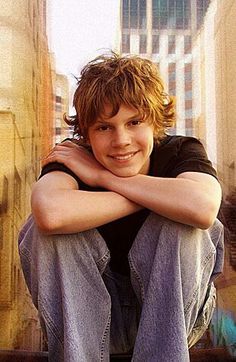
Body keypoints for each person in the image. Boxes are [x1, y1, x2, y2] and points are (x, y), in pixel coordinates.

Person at [18, 53, 224, 362]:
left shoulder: (181, 151)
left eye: (134, 122)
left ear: (155, 122)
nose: (121, 140)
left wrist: (102, 176)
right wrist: (154, 197)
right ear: (86, 132)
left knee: (182, 224)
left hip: (176, 318)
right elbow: (50, 213)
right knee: (45, 232)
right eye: (104, 127)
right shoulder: (71, 158)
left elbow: (202, 207)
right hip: (86, 323)